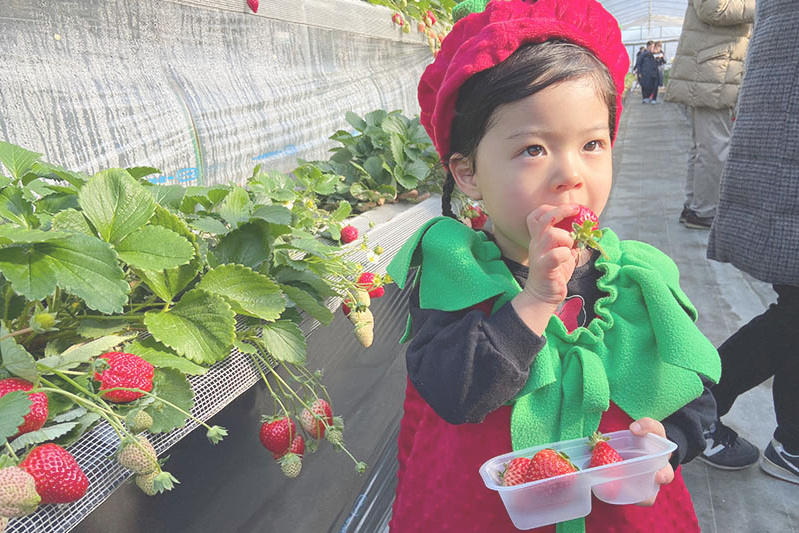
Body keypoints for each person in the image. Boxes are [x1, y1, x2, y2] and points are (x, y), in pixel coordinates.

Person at [385, 1, 721, 531]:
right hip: (477, 513)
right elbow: (453, 393)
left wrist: (670, 442)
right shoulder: (457, 275)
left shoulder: (634, 281)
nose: (570, 173)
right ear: (468, 174)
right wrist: (536, 300)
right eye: (533, 149)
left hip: (618, 514)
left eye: (592, 144)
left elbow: (695, 397)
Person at [701, 0, 799, 484]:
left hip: (745, 91)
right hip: (727, 89)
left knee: (794, 310)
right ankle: (695, 408)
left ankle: (699, 407)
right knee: (794, 309)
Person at [665, 0, 755, 229]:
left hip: (714, 68)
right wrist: (760, 6)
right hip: (715, 70)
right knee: (715, 146)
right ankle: (705, 210)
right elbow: (713, 8)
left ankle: (695, 207)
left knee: (704, 146)